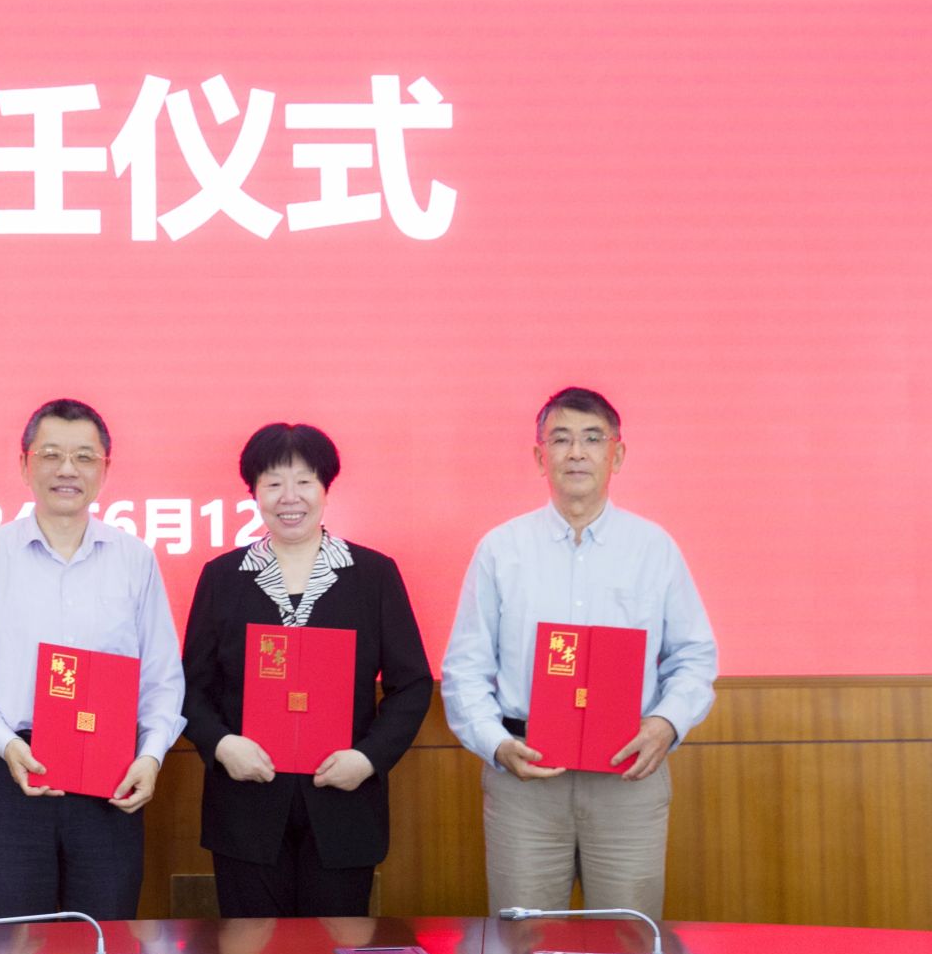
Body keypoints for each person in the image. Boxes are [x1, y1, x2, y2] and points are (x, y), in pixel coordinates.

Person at [440, 387, 717, 921]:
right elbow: (465, 669)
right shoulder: (501, 549)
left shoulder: (653, 548)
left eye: (592, 439)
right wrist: (496, 744)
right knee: (521, 942)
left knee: (629, 939)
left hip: (627, 773)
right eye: (560, 439)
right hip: (525, 775)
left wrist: (666, 724)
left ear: (618, 453)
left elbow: (694, 657)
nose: (576, 453)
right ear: (539, 455)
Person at [0, 398, 185, 920]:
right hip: (10, 772)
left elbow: (162, 678)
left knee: (103, 940)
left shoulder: (135, 559)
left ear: (105, 469)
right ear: (24, 464)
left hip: (111, 777)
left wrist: (151, 756)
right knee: (10, 944)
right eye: (50, 455)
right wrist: (5, 744)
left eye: (84, 457)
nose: (67, 469)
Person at [180, 423, 435, 917]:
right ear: (254, 492)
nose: (289, 497)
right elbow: (191, 686)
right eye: (274, 483)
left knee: (334, 950)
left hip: (343, 802)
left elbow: (411, 685)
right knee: (250, 950)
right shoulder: (222, 577)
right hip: (246, 805)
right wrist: (222, 745)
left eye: (304, 481)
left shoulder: (373, 575)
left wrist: (368, 758)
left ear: (326, 488)